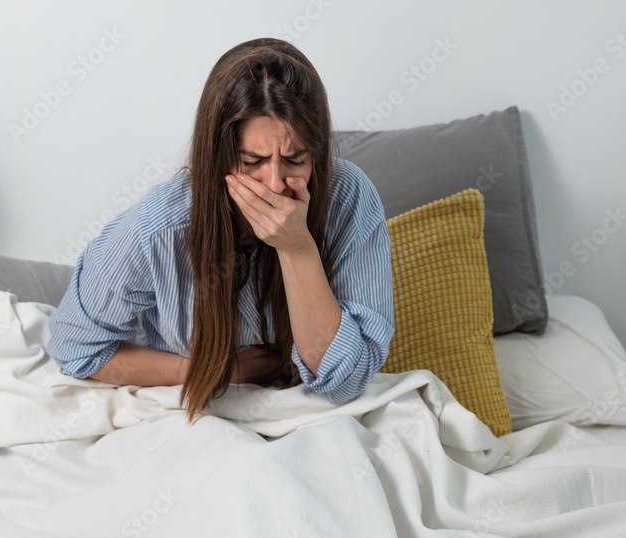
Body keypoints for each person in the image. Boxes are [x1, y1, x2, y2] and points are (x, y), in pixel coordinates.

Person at [45, 37, 395, 425]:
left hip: (309, 415)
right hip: (197, 415)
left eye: (296, 159)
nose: (275, 183)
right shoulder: (161, 226)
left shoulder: (349, 197)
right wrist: (225, 370)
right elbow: (74, 346)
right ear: (221, 157)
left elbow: (345, 381)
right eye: (253, 161)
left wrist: (297, 249)